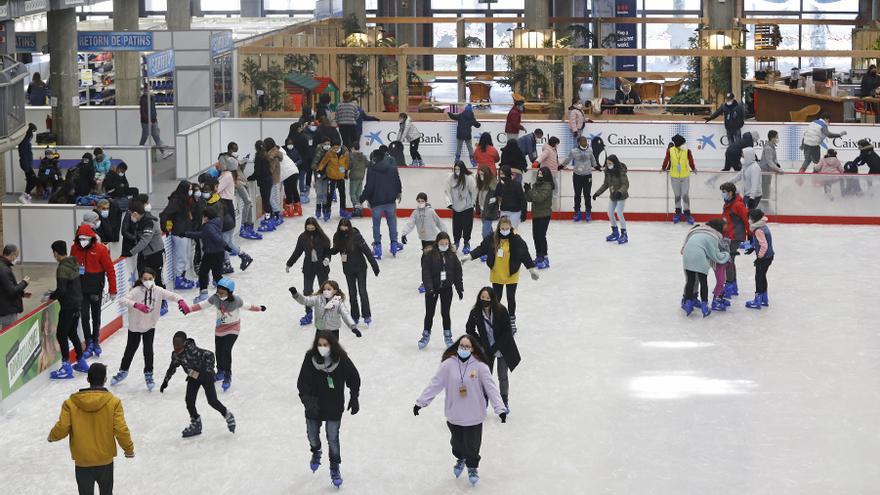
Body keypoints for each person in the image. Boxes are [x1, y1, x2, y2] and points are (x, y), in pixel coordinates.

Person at [413, 335, 507, 486]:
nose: (463, 349)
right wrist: (421, 402)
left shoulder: (480, 367)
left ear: (472, 349)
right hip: (455, 414)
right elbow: (435, 384)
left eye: (467, 347)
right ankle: (460, 458)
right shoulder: (448, 365)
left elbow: (491, 389)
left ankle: (472, 467)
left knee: (472, 444)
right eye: (461, 346)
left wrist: (500, 409)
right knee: (457, 444)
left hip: (474, 415)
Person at [48, 363, 135, 495]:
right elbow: (121, 429)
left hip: (83, 461)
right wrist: (128, 449)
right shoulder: (113, 403)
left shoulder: (70, 404)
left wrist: (52, 436)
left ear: (88, 380)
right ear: (105, 380)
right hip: (105, 461)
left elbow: (63, 426)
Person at [296, 331, 360, 488]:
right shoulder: (310, 359)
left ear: (332, 345)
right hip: (314, 405)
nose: (322, 348)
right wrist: (308, 401)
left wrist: (354, 396)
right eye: (319, 345)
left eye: (325, 345)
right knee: (312, 435)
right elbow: (302, 383)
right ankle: (316, 451)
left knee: (332, 438)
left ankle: (334, 467)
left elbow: (354, 377)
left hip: (333, 405)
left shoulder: (341, 359)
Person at [113, 268, 190, 391]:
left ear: (154, 278)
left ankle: (149, 374)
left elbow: (172, 295)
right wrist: (136, 305)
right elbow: (122, 300)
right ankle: (123, 371)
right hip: (135, 326)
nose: (147, 281)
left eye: (150, 279)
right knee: (130, 350)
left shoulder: (158, 290)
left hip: (150, 326)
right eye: (145, 279)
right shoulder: (136, 290)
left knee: (148, 351)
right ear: (141, 279)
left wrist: (181, 301)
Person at [187, 278, 265, 391]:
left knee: (226, 350)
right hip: (219, 329)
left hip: (233, 327)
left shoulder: (236, 301)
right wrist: (189, 309)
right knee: (218, 351)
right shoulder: (215, 298)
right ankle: (221, 371)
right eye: (218, 291)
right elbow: (202, 305)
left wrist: (260, 308)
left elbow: (248, 306)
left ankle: (228, 375)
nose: (219, 294)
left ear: (229, 292)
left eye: (222, 292)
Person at [160, 331, 236, 438]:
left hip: (205, 376)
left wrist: (208, 370)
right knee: (189, 401)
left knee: (212, 401)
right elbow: (172, 367)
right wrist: (165, 381)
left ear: (184, 343)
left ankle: (228, 415)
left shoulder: (193, 350)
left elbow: (210, 354)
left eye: (178, 346)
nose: (176, 349)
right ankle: (196, 423)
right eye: (174, 346)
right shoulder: (176, 355)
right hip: (193, 376)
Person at [463, 216, 538, 323]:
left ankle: (511, 320)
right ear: (499, 228)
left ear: (510, 228)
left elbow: (524, 254)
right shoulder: (492, 238)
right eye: (502, 229)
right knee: (496, 299)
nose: (504, 231)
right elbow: (482, 248)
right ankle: (497, 319)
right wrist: (470, 256)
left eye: (507, 229)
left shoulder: (517, 239)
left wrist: (531, 269)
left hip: (511, 273)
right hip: (497, 273)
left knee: (510, 298)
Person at [465, 287, 520, 409]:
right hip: (487, 350)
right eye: (482, 298)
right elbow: (469, 329)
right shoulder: (475, 313)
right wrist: (481, 343)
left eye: (487, 298)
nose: (484, 300)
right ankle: (484, 400)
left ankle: (503, 401)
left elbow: (507, 332)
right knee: (485, 376)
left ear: (492, 299)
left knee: (502, 376)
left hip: (503, 348)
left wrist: (494, 347)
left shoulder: (501, 311)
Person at [71, 224, 118, 359]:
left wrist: (112, 289)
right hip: (81, 289)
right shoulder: (74, 248)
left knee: (96, 315)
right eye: (80, 239)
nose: (83, 241)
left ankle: (96, 340)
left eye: (85, 239)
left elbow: (110, 270)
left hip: (95, 288)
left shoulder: (101, 249)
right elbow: (71, 267)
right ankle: (89, 341)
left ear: (91, 238)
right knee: (84, 316)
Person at [48, 240, 89, 379]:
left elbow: (62, 289)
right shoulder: (73, 262)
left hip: (68, 305)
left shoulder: (62, 268)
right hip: (77, 302)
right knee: (72, 332)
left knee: (61, 334)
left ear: (55, 253)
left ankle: (66, 367)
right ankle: (81, 361)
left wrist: (50, 296)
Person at [417, 233, 463, 350]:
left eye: (446, 243)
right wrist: (429, 288)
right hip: (432, 289)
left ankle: (448, 336)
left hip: (447, 289)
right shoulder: (429, 255)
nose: (444, 245)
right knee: (429, 313)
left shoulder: (452, 256)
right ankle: (425, 335)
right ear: (437, 243)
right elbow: (426, 273)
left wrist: (459, 287)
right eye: (442, 243)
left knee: (445, 313)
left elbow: (457, 272)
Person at [184, 209, 241, 304]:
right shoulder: (216, 223)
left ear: (206, 217)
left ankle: (204, 294)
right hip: (219, 253)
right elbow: (203, 235)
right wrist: (187, 234)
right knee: (217, 275)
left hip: (211, 253)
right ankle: (228, 293)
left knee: (203, 273)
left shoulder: (208, 227)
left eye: (203, 217)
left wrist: (226, 246)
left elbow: (216, 238)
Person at [331, 218, 380, 326]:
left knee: (362, 291)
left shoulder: (356, 236)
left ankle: (366, 315)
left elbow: (367, 251)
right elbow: (335, 250)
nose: (344, 228)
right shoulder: (337, 236)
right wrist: (326, 251)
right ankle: (355, 316)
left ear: (349, 226)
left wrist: (374, 266)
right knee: (352, 293)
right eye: (342, 226)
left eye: (346, 226)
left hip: (360, 268)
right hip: (348, 270)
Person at [286, 217, 333, 326]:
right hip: (309, 267)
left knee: (325, 292)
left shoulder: (322, 237)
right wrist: (289, 263)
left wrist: (327, 258)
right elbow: (297, 252)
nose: (310, 230)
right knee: (307, 291)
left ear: (316, 227)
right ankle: (308, 314)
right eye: (308, 228)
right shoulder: (302, 237)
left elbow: (327, 250)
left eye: (312, 228)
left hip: (322, 267)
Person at [360, 146, 404, 259]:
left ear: (374, 158)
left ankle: (378, 247)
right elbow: (398, 182)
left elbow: (369, 187)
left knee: (376, 225)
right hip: (390, 201)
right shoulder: (393, 168)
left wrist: (362, 199)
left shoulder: (372, 170)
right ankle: (394, 244)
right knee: (392, 223)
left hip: (376, 203)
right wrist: (398, 193)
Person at [680, 218, 731, 317]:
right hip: (699, 258)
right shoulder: (712, 236)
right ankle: (704, 306)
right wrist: (726, 254)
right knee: (703, 282)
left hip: (687, 255)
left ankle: (688, 303)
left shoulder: (697, 230)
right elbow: (715, 255)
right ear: (718, 229)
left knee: (690, 281)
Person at [289, 281, 361, 339]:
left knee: (334, 352)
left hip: (333, 331)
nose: (326, 291)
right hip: (320, 330)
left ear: (335, 291)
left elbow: (346, 314)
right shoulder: (317, 298)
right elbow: (306, 300)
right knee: (319, 351)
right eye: (324, 289)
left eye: (329, 289)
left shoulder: (338, 302)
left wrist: (353, 327)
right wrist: (296, 294)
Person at [160, 180, 197, 290]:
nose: (191, 191)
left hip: (185, 232)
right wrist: (164, 228)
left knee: (185, 257)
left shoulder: (184, 199)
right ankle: (178, 280)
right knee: (181, 257)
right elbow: (164, 214)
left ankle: (182, 276)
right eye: (189, 189)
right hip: (179, 233)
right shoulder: (176, 201)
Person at [219, 142, 259, 239]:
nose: (236, 152)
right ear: (229, 149)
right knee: (248, 202)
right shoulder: (223, 157)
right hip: (236, 182)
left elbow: (239, 169)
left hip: (242, 180)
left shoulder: (234, 158)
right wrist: (233, 163)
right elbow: (224, 169)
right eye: (234, 150)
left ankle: (249, 225)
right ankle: (243, 226)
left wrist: (243, 162)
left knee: (250, 204)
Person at [719, 182, 750, 298]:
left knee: (728, 260)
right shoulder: (728, 203)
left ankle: (729, 286)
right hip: (728, 236)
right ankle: (733, 286)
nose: (722, 194)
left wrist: (750, 237)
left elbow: (747, 220)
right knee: (730, 260)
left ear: (730, 192)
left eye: (724, 192)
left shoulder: (737, 205)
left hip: (735, 237)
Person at [128, 202, 166, 291]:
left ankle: (163, 301)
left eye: (130, 214)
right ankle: (145, 299)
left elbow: (144, 241)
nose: (130, 217)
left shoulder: (150, 222)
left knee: (158, 279)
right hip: (143, 255)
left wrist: (131, 252)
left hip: (156, 254)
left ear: (135, 214)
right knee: (143, 279)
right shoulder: (139, 222)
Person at [561, 135, 600, 222]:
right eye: (583, 141)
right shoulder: (574, 151)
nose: (585, 142)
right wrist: (561, 165)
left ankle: (588, 212)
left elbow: (593, 160)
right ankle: (577, 212)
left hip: (587, 175)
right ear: (579, 142)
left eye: (586, 141)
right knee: (577, 194)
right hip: (577, 175)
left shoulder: (590, 150)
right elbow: (568, 159)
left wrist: (596, 166)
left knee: (587, 194)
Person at [593, 155, 630, 244]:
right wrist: (597, 193)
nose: (608, 165)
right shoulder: (607, 171)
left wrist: (620, 192)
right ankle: (615, 232)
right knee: (609, 212)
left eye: (610, 163)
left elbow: (626, 184)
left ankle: (624, 234)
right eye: (607, 163)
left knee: (619, 213)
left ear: (614, 162)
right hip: (613, 195)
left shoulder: (621, 170)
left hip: (621, 195)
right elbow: (606, 184)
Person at [661, 134, 697, 224]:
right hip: (674, 176)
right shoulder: (670, 151)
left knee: (685, 195)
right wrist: (663, 168)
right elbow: (666, 159)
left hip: (685, 176)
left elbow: (691, 160)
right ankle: (678, 212)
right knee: (677, 195)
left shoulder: (687, 150)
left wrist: (693, 168)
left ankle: (687, 213)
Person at [524, 167, 554, 269]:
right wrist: (527, 191)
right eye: (539, 173)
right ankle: (539, 256)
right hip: (536, 214)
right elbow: (530, 199)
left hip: (544, 215)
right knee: (536, 236)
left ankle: (544, 257)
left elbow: (539, 198)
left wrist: (531, 192)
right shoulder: (536, 185)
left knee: (541, 236)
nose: (539, 175)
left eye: (541, 173)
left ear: (546, 174)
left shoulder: (547, 186)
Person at [744, 209, 775, 310]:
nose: (748, 220)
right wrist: (753, 248)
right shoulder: (762, 226)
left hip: (764, 257)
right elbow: (761, 242)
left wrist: (759, 258)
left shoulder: (758, 230)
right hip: (769, 256)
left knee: (758, 277)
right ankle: (764, 298)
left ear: (754, 219)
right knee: (762, 276)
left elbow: (764, 245)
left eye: (750, 218)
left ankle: (757, 300)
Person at [402, 193, 447, 261]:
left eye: (422, 201)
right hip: (423, 238)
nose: (420, 203)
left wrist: (444, 233)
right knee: (426, 257)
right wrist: (404, 234)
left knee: (434, 257)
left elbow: (439, 222)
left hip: (433, 238)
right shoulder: (415, 213)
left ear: (426, 201)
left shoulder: (431, 211)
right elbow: (410, 224)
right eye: (419, 201)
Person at [444, 162, 477, 253]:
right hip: (455, 207)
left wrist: (473, 203)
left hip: (467, 207)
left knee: (467, 225)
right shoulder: (450, 178)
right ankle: (456, 241)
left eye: (459, 169)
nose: (457, 171)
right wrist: (449, 203)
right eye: (455, 169)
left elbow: (474, 191)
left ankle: (466, 242)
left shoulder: (469, 178)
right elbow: (446, 191)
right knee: (456, 226)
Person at [317, 142, 351, 220]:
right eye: (334, 148)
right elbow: (323, 162)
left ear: (340, 146)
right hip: (331, 177)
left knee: (342, 195)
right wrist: (319, 169)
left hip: (340, 177)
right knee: (330, 195)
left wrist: (345, 171)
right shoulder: (329, 153)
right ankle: (327, 211)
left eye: (337, 147)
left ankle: (342, 210)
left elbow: (347, 163)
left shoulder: (345, 153)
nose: (335, 149)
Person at [249, 140, 276, 232]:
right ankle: (271, 217)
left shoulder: (259, 157)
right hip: (268, 180)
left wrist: (250, 178)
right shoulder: (265, 155)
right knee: (266, 199)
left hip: (264, 181)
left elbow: (258, 171)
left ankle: (268, 218)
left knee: (265, 200)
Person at [0, 244, 30, 329]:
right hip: (7, 310)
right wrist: (24, 283)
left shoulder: (4, 266)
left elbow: (5, 287)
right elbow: (11, 291)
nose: (16, 259)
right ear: (12, 255)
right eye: (16, 256)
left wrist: (22, 293)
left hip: (5, 307)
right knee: (10, 334)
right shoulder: (4, 269)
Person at [139, 86, 171, 158]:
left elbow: (153, 109)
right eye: (148, 90)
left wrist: (155, 119)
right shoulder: (143, 100)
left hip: (154, 120)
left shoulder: (152, 98)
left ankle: (163, 152)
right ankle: (139, 149)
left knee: (156, 136)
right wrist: (148, 120)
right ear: (145, 92)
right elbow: (143, 112)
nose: (150, 91)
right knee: (145, 136)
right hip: (146, 122)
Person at [288, 123, 314, 199]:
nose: (301, 128)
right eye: (300, 127)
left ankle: (293, 195)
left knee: (293, 179)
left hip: (292, 161)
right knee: (301, 178)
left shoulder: (289, 138)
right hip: (302, 161)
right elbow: (307, 150)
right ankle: (302, 194)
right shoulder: (303, 137)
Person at [310, 138, 334, 223]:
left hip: (328, 176)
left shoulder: (332, 153)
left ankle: (324, 208)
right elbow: (313, 165)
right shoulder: (319, 152)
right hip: (319, 176)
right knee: (319, 193)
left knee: (325, 193)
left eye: (329, 144)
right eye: (326, 144)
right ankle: (318, 208)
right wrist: (317, 171)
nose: (327, 146)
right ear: (323, 144)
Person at [264, 137, 285, 224]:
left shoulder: (272, 156)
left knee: (270, 198)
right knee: (271, 197)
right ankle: (276, 213)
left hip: (271, 178)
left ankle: (277, 213)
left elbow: (271, 168)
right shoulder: (275, 153)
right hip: (274, 178)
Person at [475, 166, 499, 242]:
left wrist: (495, 199)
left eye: (482, 174)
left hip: (490, 210)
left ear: (487, 174)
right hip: (482, 209)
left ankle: (486, 249)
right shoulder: (480, 183)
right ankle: (493, 244)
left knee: (485, 232)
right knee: (489, 230)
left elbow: (499, 194)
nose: (481, 176)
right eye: (480, 174)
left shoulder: (493, 182)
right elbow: (479, 195)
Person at [282, 137, 303, 218]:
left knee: (291, 189)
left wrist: (296, 163)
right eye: (288, 143)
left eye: (291, 143)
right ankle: (295, 208)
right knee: (290, 189)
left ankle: (290, 208)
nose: (290, 145)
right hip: (289, 172)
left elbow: (301, 160)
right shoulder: (285, 152)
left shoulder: (296, 151)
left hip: (292, 172)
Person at [17, 123, 38, 203]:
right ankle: (24, 196)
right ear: (30, 131)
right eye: (33, 131)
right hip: (26, 164)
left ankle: (25, 197)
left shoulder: (26, 140)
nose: (34, 133)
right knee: (34, 180)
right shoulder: (25, 140)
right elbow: (23, 154)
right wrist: (27, 166)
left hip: (27, 164)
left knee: (30, 180)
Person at [348, 143, 368, 218]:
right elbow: (368, 164)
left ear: (353, 148)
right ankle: (360, 208)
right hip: (361, 177)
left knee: (352, 193)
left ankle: (357, 209)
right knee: (358, 194)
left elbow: (349, 166)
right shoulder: (363, 156)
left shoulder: (351, 156)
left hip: (354, 177)